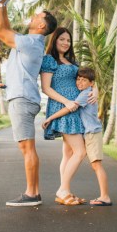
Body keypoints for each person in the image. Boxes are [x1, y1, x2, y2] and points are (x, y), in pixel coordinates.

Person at [0, 0, 58, 206]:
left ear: (41, 25)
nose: (34, 15)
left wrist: (0, 1)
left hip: (22, 98)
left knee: (27, 148)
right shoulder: (30, 42)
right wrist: (3, 4)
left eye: (38, 15)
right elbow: (6, 28)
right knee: (28, 148)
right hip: (25, 98)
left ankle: (31, 194)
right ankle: (34, 192)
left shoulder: (30, 43)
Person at [42, 67, 112, 206]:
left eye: (84, 80)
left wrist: (50, 118)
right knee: (84, 160)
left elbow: (70, 108)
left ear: (91, 83)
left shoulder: (85, 94)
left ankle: (105, 197)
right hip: (89, 132)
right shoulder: (87, 91)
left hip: (92, 132)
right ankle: (65, 191)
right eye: (78, 79)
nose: (79, 82)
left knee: (96, 165)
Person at [39, 27, 90, 206]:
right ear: (55, 40)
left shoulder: (71, 61)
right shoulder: (49, 60)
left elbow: (87, 80)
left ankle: (65, 191)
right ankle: (62, 190)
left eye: (68, 40)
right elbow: (46, 88)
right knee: (80, 151)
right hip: (62, 106)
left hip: (75, 108)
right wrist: (66, 102)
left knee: (68, 153)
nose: (66, 43)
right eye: (62, 39)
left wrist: (94, 92)